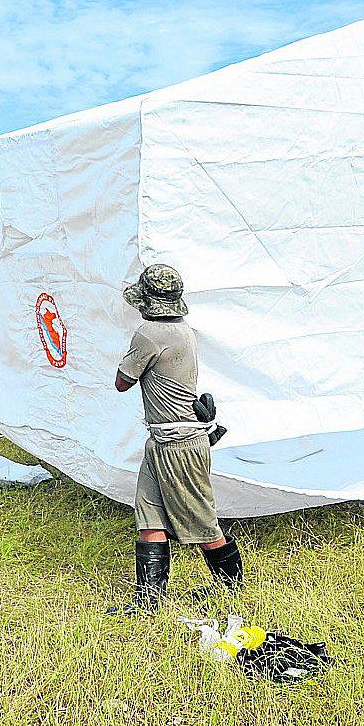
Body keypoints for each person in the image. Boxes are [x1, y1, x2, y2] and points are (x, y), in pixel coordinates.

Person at [108, 264, 242, 615]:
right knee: (149, 515)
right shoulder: (182, 330)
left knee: (200, 520)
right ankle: (148, 601)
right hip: (164, 441)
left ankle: (231, 588)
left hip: (177, 444)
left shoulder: (148, 335)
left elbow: (123, 382)